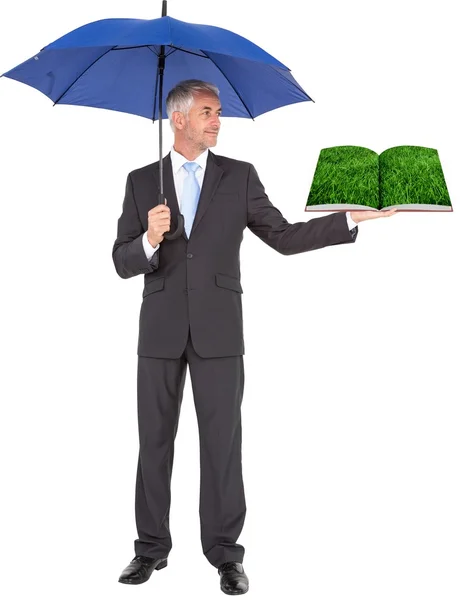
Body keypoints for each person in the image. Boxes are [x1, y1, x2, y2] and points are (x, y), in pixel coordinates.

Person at [112, 79, 397, 595]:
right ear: (178, 119)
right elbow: (120, 262)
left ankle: (225, 554)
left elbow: (284, 238)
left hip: (220, 333)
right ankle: (149, 550)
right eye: (206, 112)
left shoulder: (239, 177)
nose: (216, 121)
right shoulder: (140, 182)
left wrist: (352, 218)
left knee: (222, 446)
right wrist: (148, 240)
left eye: (218, 112)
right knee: (154, 444)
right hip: (159, 333)